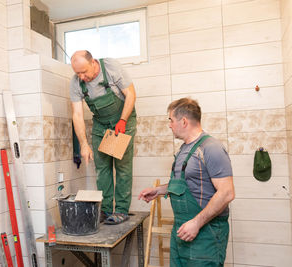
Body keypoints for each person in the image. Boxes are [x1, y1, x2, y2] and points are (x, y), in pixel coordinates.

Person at [138, 98, 235, 266]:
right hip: (182, 232)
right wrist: (159, 191)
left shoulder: (211, 148)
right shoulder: (184, 149)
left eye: (171, 120)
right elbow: (185, 184)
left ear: (183, 121)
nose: (169, 125)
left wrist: (196, 223)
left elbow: (227, 193)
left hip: (205, 235)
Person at [70, 50, 137, 225]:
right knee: (102, 169)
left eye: (84, 72)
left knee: (122, 167)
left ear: (93, 62)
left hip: (123, 119)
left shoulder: (110, 67)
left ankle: (121, 210)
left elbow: (130, 94)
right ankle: (106, 210)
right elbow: (77, 115)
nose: (82, 76)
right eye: (77, 73)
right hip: (101, 124)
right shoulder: (76, 83)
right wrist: (84, 144)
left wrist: (122, 120)